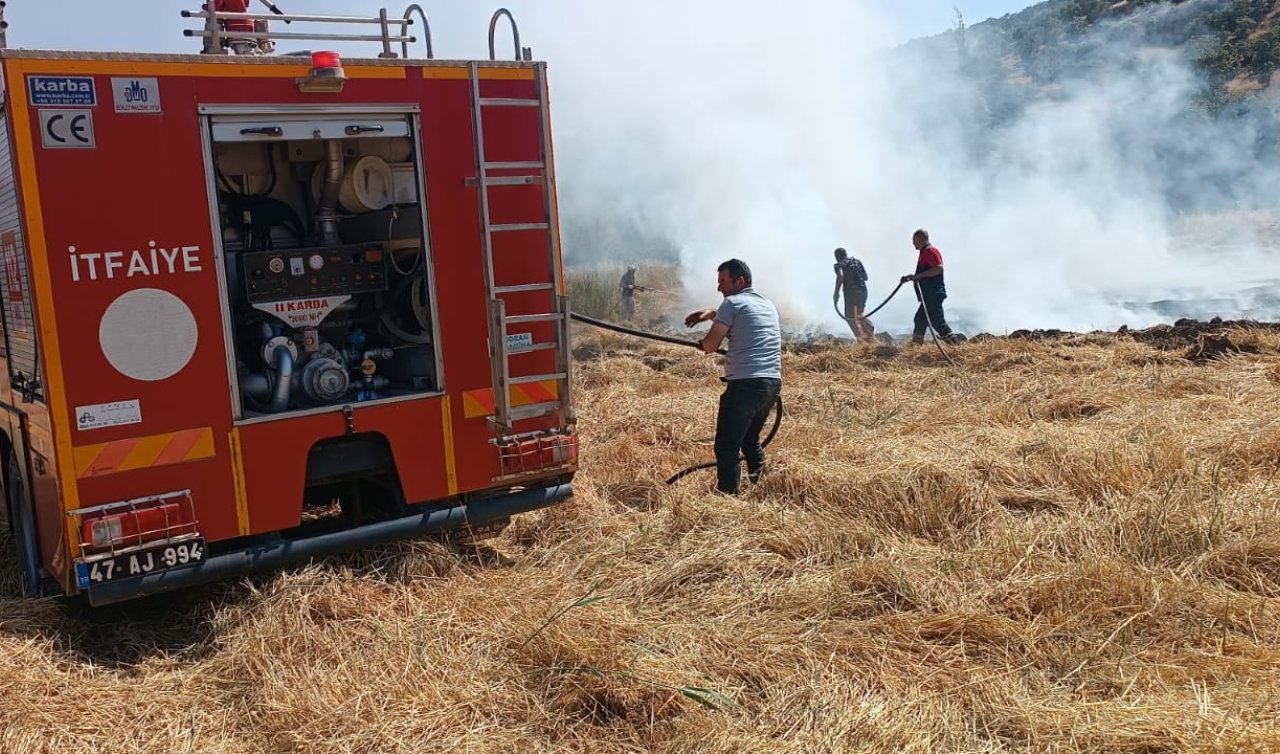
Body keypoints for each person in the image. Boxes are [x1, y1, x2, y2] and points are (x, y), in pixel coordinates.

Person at [684, 259, 782, 495]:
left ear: (740, 281)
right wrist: (710, 314)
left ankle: (729, 498)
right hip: (771, 383)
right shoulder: (766, 304)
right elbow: (742, 316)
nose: (719, 288)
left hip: (745, 385)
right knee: (750, 440)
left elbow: (710, 345)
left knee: (727, 446)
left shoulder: (731, 303)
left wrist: (704, 343)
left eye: (723, 282)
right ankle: (761, 489)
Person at [900, 228, 954, 345]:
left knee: (937, 322)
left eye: (914, 240)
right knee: (920, 320)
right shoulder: (924, 252)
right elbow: (926, 273)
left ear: (921, 239)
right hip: (929, 295)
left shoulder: (930, 251)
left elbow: (939, 269)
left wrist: (919, 276)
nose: (913, 243)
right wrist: (913, 277)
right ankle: (916, 347)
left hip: (933, 294)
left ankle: (956, 347)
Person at [832, 247, 870, 341]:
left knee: (849, 317)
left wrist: (836, 293)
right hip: (863, 290)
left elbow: (840, 276)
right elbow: (865, 277)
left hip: (851, 292)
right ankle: (868, 331)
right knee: (859, 314)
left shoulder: (839, 265)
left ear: (837, 257)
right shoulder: (857, 261)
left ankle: (861, 339)